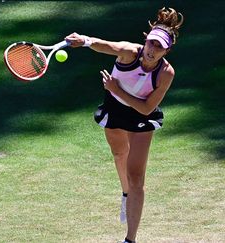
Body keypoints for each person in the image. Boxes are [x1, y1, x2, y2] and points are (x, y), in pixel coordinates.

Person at [65, 7, 183, 243]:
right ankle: (125, 194)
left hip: (139, 116)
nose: (152, 50)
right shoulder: (130, 52)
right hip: (115, 109)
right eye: (151, 43)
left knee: (137, 177)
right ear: (145, 41)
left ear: (167, 50)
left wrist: (116, 89)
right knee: (119, 153)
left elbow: (146, 109)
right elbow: (106, 45)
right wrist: (84, 41)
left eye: (159, 46)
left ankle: (130, 239)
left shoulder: (166, 73)